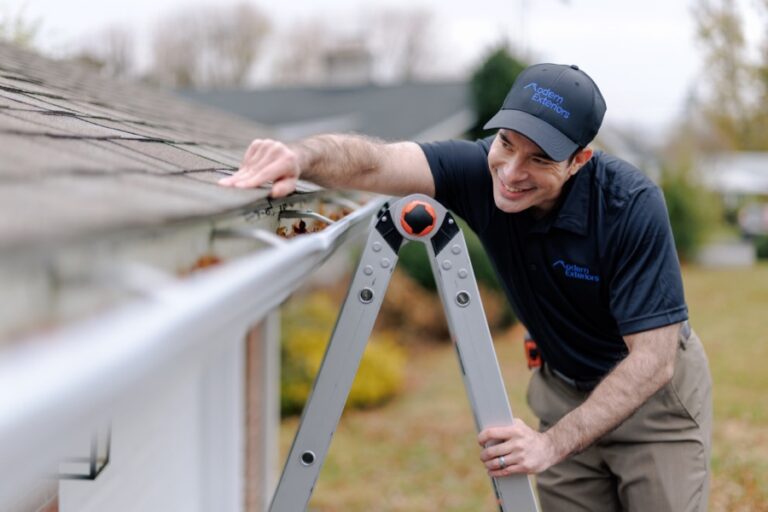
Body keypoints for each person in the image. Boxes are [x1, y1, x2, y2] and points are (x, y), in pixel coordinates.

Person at [219, 63, 712, 512]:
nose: (512, 172)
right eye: (506, 143)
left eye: (539, 159)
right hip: (564, 391)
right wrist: (299, 157)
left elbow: (653, 360)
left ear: (580, 160)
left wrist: (551, 445)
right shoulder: (479, 172)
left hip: (652, 405)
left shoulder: (630, 207)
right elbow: (374, 162)